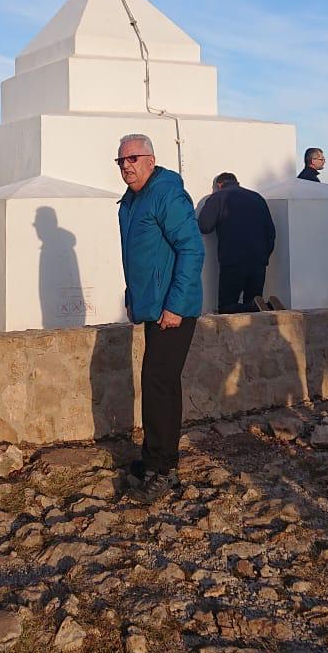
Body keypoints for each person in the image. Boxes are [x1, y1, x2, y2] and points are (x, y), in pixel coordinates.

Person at [117, 134, 204, 499]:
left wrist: (175, 306)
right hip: (153, 306)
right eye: (121, 161)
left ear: (151, 160)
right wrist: (133, 297)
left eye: (133, 159)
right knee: (158, 382)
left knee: (159, 383)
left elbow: (192, 249)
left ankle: (164, 468)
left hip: (173, 309)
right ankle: (153, 458)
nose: (126, 166)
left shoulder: (166, 194)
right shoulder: (133, 200)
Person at [197, 172, 278, 312]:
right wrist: (264, 257)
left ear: (219, 185)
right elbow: (270, 232)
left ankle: (252, 306)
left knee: (227, 306)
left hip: (233, 260)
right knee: (256, 309)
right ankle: (258, 307)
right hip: (258, 260)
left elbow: (204, 226)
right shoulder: (257, 197)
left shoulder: (218, 197)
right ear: (237, 182)